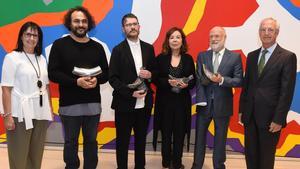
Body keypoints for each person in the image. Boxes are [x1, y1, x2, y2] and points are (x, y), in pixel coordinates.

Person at [48, 6, 109, 169]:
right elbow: (53, 73)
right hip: (69, 105)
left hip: (93, 105)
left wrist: (97, 81)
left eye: (84, 21)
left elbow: (106, 73)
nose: (80, 24)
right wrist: (76, 82)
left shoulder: (98, 47)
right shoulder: (59, 45)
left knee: (91, 141)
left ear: (88, 24)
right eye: (77, 21)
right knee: (70, 142)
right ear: (70, 23)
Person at [239, 17, 297, 169]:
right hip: (250, 115)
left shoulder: (287, 57)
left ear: (277, 32)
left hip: (271, 118)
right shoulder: (252, 56)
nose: (266, 33)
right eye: (263, 29)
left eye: (270, 30)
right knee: (250, 155)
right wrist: (242, 110)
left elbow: (287, 91)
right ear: (259, 33)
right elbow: (247, 86)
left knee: (266, 157)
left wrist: (279, 118)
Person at [1, 21, 52, 169]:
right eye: (28, 34)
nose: (32, 38)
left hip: (40, 112)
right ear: (21, 37)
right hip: (20, 114)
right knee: (19, 155)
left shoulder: (41, 59)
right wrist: (7, 116)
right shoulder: (12, 57)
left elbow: (46, 85)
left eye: (35, 35)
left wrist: (48, 108)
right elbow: (5, 89)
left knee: (36, 155)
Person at [108, 13, 156, 169]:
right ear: (123, 29)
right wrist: (131, 93)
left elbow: (154, 74)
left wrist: (150, 75)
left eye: (135, 24)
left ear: (139, 27)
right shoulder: (117, 50)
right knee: (122, 141)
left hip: (144, 105)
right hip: (124, 104)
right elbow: (113, 78)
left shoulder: (149, 48)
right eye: (128, 25)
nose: (132, 27)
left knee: (141, 141)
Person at [192, 26, 243, 169]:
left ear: (224, 38)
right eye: (211, 36)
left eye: (217, 36)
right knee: (200, 138)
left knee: (220, 139)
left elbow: (239, 81)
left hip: (223, 105)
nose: (214, 39)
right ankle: (197, 165)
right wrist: (207, 79)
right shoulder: (202, 55)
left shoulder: (234, 57)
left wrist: (222, 80)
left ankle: (219, 165)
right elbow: (199, 77)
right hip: (204, 104)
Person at [153, 27, 195, 169]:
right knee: (165, 132)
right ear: (167, 41)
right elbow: (155, 78)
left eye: (178, 37)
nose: (175, 40)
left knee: (179, 133)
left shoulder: (188, 58)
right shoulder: (160, 58)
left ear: (182, 40)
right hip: (164, 102)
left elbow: (194, 80)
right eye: (172, 37)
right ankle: (166, 161)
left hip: (181, 102)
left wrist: (186, 84)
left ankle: (177, 162)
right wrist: (167, 82)